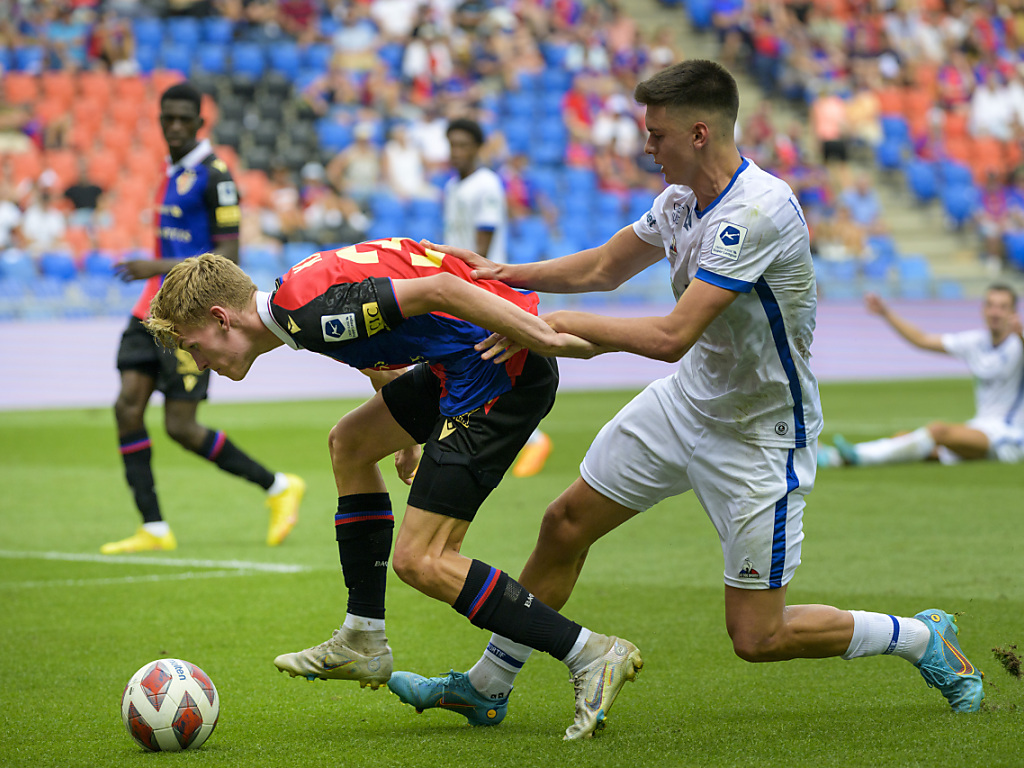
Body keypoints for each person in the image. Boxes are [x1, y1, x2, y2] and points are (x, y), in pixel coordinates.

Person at [390, 60, 984, 731]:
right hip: (686, 403)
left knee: (757, 637)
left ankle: (919, 638)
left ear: (699, 133)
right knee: (564, 525)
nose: (646, 147)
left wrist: (564, 326)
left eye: (657, 135)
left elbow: (673, 334)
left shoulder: (757, 213)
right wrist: (505, 273)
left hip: (760, 435)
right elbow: (603, 266)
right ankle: (488, 684)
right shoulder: (678, 201)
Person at [143, 239, 642, 741]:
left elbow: (442, 289)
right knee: (352, 443)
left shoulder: (306, 314)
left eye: (194, 347)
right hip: (459, 366)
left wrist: (539, 335)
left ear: (220, 318)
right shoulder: (294, 304)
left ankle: (591, 652)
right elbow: (372, 336)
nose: (199, 363)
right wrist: (403, 439)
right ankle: (363, 637)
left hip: (497, 374)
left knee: (421, 560)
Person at [103, 81, 305, 555]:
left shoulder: (217, 177)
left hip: (190, 315)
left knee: (181, 426)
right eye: (166, 118)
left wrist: (151, 268)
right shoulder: (168, 172)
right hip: (150, 310)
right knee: (126, 407)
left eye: (182, 119)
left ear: (199, 123)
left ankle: (277, 486)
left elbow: (228, 254)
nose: (173, 127)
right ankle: (154, 528)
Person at [444, 117, 552, 478]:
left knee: (482, 360)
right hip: (459, 284)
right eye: (452, 144)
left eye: (463, 145)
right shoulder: (452, 187)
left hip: (481, 285)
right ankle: (525, 437)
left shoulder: (486, 184)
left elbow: (483, 239)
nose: (456, 152)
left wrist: (472, 284)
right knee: (475, 362)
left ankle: (532, 437)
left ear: (477, 148)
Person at [819, 287, 1023, 467]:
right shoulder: (976, 341)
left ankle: (855, 456)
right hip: (978, 428)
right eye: (990, 305)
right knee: (903, 439)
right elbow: (922, 339)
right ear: (983, 309)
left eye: (1002, 307)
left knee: (939, 431)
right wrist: (885, 313)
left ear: (1013, 312)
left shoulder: (1018, 344)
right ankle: (840, 457)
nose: (995, 312)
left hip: (1009, 437)